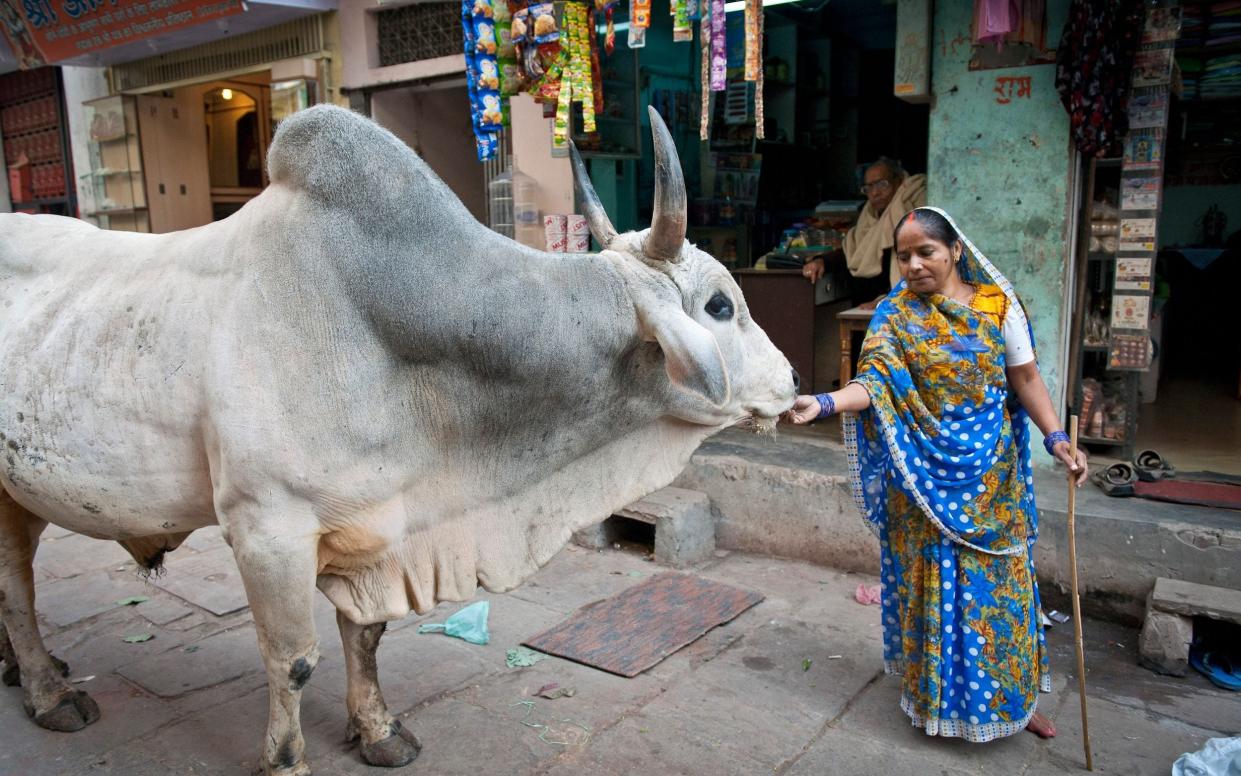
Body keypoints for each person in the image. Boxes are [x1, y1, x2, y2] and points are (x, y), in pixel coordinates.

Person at [786, 206, 1088, 743]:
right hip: (921, 482)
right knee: (934, 591)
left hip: (992, 479)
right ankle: (939, 705)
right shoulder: (895, 315)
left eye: (926, 251)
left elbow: (1024, 377)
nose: (915, 265)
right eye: (904, 256)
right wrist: (827, 403)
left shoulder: (997, 306)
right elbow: (874, 383)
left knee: (1000, 593)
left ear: (954, 251)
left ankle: (1014, 706)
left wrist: (1057, 438)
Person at [802, 157, 928, 308]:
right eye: (868, 188)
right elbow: (855, 249)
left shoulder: (910, 203)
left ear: (899, 181)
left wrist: (885, 300)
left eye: (882, 184)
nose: (875, 193)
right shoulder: (868, 215)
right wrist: (823, 261)